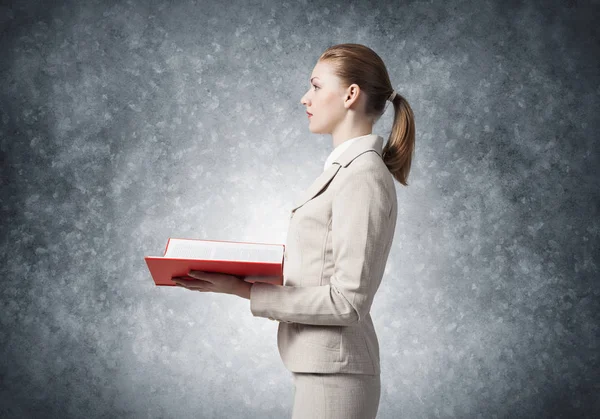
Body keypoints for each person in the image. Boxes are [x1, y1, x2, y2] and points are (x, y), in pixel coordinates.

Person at [172, 43, 415, 419]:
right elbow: (321, 270)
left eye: (316, 86)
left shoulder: (362, 175)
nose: (306, 98)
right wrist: (242, 272)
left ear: (351, 94)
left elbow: (348, 301)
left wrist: (243, 290)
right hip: (323, 369)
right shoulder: (346, 171)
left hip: (336, 375)